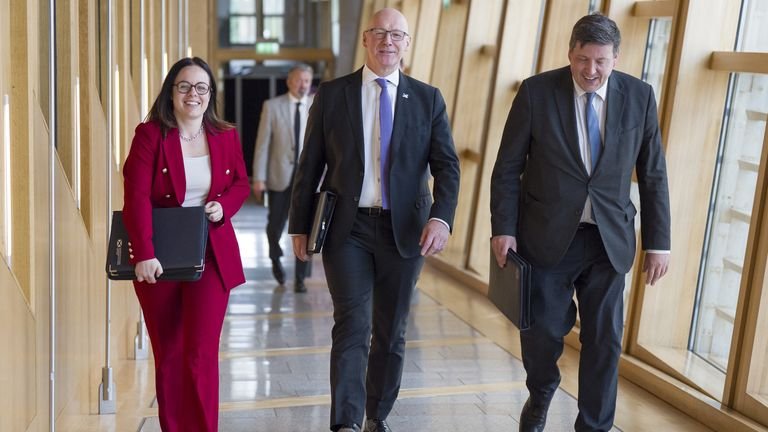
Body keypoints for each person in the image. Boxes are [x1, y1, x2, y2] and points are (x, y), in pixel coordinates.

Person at [490, 13, 671, 432]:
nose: (590, 70)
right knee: (542, 334)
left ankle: (594, 425)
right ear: (570, 54)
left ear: (616, 58)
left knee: (604, 340)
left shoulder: (640, 97)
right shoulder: (536, 93)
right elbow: (507, 168)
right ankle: (542, 390)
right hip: (546, 236)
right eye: (582, 60)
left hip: (609, 241)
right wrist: (504, 227)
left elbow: (653, 173)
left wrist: (659, 242)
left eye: (601, 61)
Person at [288, 8, 460, 432]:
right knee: (353, 322)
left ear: (407, 44)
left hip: (406, 231)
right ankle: (345, 422)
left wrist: (442, 218)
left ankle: (376, 413)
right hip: (347, 229)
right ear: (365, 40)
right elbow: (310, 164)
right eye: (380, 33)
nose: (388, 41)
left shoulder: (427, 99)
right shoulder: (333, 94)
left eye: (397, 35)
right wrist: (298, 223)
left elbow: (448, 166)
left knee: (391, 330)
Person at [122, 56, 250, 432]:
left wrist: (223, 206)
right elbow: (136, 197)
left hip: (212, 254)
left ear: (210, 94)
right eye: (184, 86)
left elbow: (240, 183)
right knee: (171, 354)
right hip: (160, 257)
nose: (192, 94)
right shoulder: (150, 135)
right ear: (171, 92)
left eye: (201, 87)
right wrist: (144, 253)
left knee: (201, 352)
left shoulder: (225, 135)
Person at [252, 64, 315, 292]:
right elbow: (262, 144)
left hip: (309, 179)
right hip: (280, 176)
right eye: (299, 80)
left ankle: (300, 278)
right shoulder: (272, 106)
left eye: (307, 81)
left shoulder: (317, 106)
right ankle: (274, 255)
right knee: (274, 226)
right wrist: (258, 177)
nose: (303, 85)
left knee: (306, 228)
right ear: (289, 81)